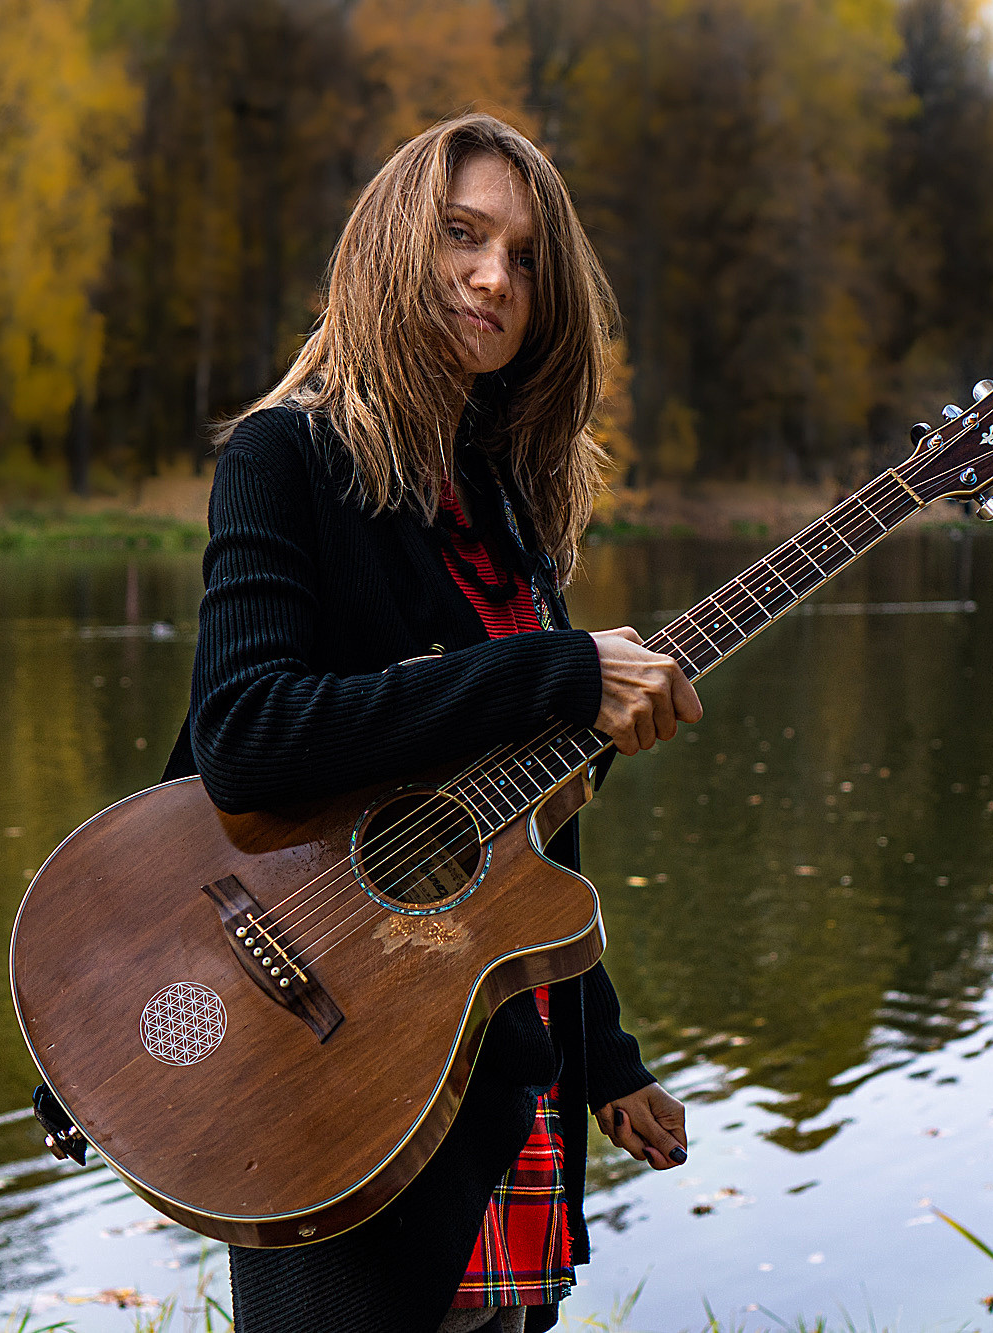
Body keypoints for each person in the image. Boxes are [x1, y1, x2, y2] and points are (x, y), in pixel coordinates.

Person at [160, 113, 703, 1333]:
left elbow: (515, 835)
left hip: (503, 1060)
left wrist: (606, 1056)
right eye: (462, 235)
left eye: (522, 257)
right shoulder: (284, 456)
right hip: (334, 1062)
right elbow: (243, 733)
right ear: (393, 247)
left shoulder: (508, 513)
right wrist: (554, 672)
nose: (492, 276)